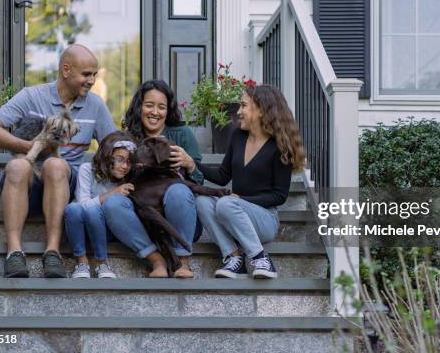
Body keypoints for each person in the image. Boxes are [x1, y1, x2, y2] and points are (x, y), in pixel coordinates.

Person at [0, 44, 116, 278]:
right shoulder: (32, 96)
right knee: (18, 165)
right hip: (26, 186)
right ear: (66, 70)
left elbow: (113, 147)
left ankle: (52, 252)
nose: (92, 81)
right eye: (86, 74)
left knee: (55, 165)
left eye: (94, 74)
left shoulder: (96, 105)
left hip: (62, 181)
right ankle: (14, 252)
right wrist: (31, 147)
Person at [195, 85, 305, 279]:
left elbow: (279, 196)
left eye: (243, 105)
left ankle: (260, 258)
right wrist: (192, 165)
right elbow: (222, 176)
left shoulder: (278, 146)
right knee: (202, 202)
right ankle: (233, 258)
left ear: (261, 110)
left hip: (264, 219)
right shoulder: (238, 136)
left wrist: (242, 200)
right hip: (234, 210)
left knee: (227, 203)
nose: (238, 111)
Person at [104, 79, 202, 278]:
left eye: (161, 107)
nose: (154, 112)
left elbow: (199, 183)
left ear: (168, 110)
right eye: (149, 105)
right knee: (112, 203)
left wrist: (190, 164)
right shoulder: (127, 138)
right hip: (143, 220)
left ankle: (181, 260)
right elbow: (114, 177)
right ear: (140, 107)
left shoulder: (182, 135)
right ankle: (156, 260)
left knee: (178, 190)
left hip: (180, 218)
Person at [64, 131, 137, 279]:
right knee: (73, 208)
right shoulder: (87, 169)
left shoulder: (128, 178)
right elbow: (83, 203)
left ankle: (101, 262)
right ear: (107, 156)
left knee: (92, 211)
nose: (124, 166)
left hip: (108, 229)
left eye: (129, 162)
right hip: (81, 227)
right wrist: (112, 193)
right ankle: (81, 261)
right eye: (120, 159)